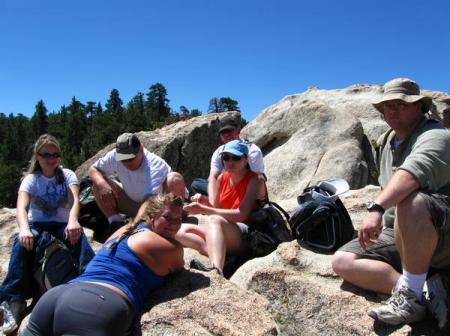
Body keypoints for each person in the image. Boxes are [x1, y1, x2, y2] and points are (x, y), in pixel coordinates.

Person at [331, 78, 450, 326]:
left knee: (411, 201)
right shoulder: (387, 141)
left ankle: (412, 293)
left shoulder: (436, 135)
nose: (392, 111)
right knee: (342, 261)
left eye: (401, 104)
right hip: (403, 232)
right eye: (387, 106)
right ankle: (422, 293)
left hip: (440, 233)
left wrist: (376, 208)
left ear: (419, 106)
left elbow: (413, 173)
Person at [22, 193, 185, 336]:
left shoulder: (125, 231)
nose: (174, 224)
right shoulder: (171, 248)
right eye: (168, 217)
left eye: (178, 219)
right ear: (151, 217)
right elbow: (177, 267)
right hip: (98, 306)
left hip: (57, 296)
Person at [0, 134, 95, 335]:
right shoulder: (31, 179)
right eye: (46, 155)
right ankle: (13, 301)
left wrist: (73, 221)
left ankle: (93, 279)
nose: (51, 159)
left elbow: (75, 200)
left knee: (77, 236)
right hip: (38, 224)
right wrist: (25, 229)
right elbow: (21, 206)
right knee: (22, 242)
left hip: (61, 224)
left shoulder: (67, 174)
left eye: (55, 154)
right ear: (38, 155)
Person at [178, 140, 267, 275]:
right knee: (182, 230)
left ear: (245, 160)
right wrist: (205, 203)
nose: (230, 162)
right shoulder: (222, 178)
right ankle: (225, 258)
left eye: (235, 158)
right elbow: (218, 208)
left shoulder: (255, 180)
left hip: (249, 235)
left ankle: (217, 271)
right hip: (229, 231)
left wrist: (205, 209)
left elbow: (241, 214)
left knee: (213, 220)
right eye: (226, 157)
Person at [89, 132, 186, 230]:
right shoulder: (115, 155)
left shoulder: (154, 164)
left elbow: (150, 200)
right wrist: (102, 184)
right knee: (98, 183)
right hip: (132, 204)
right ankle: (116, 222)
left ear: (141, 150)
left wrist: (133, 226)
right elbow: (93, 169)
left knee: (174, 179)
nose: (127, 163)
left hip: (158, 208)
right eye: (123, 159)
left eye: (131, 158)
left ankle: (173, 219)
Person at [190, 116, 264, 205]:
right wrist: (213, 200)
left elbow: (257, 177)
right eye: (223, 132)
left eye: (229, 131)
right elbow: (212, 177)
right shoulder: (218, 152)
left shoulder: (252, 150)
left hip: (245, 188)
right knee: (196, 184)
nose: (226, 135)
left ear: (238, 130)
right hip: (225, 186)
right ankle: (216, 203)